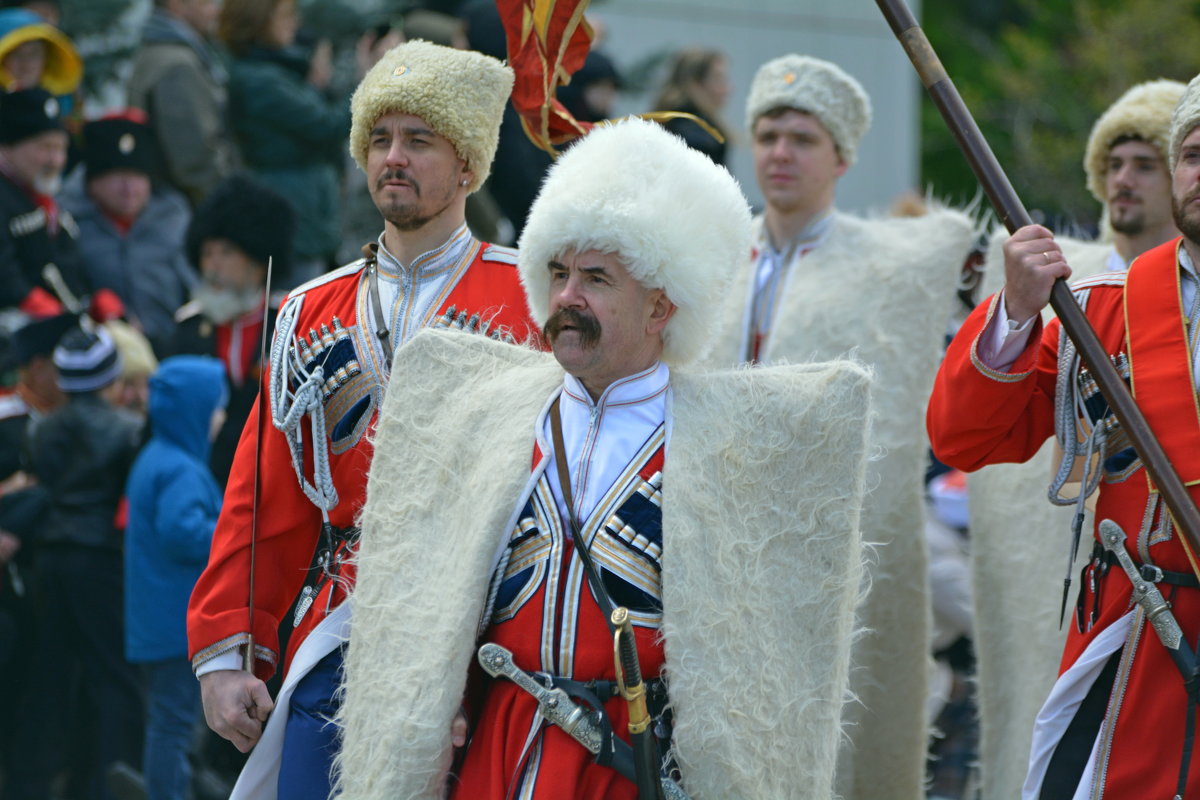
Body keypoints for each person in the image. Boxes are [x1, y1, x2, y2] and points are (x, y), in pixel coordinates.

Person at [333, 117, 872, 800]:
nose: (566, 299)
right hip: (498, 747)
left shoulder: (723, 449)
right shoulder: (484, 417)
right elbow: (426, 606)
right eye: (558, 274)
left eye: (595, 278)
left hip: (629, 760)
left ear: (660, 307)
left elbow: (761, 667)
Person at [186, 39, 540, 799]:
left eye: (419, 140)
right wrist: (228, 652)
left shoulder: (533, 299)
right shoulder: (309, 309)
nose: (393, 158)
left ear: (470, 165)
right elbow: (264, 492)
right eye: (379, 139)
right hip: (340, 629)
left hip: (484, 641)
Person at [706, 53, 977, 800]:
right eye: (767, 135)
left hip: (834, 555)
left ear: (842, 156)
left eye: (802, 137)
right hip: (716, 547)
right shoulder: (714, 256)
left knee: (836, 750)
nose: (780, 153)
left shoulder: (889, 267)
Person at [928, 72, 1200, 799]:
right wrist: (1015, 311)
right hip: (1134, 637)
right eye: (1195, 154)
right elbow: (964, 438)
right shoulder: (1102, 310)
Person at [6, 322, 144, 800]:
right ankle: (112, 780)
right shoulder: (128, 430)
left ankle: (30, 782)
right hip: (101, 559)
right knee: (114, 678)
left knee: (51, 675)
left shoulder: (43, 430)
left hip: (51, 555)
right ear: (111, 374)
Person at [125, 355, 226, 800]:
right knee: (173, 725)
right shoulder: (181, 468)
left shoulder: (159, 456)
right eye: (216, 406)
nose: (221, 416)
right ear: (193, 410)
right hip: (174, 624)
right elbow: (181, 531)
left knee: (170, 722)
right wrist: (233, 532)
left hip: (157, 618)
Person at [217, 0, 355, 287]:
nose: (293, 23)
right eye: (284, 16)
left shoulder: (275, 71)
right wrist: (369, 78)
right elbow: (326, 125)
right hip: (291, 210)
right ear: (258, 22)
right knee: (300, 308)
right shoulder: (260, 80)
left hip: (301, 205)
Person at [172, 173, 293, 487]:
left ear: (255, 261)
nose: (213, 266)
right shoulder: (188, 326)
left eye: (226, 252)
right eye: (207, 254)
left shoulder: (288, 320)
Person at [61, 112, 195, 357]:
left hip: (174, 347)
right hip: (102, 354)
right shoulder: (66, 222)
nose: (128, 188)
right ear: (91, 181)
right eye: (117, 176)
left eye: (137, 176)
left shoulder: (174, 218)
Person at [127, 0, 238, 208]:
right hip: (190, 210)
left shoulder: (157, 52)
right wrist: (228, 210)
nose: (216, 10)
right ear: (175, 4)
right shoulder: (178, 65)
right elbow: (196, 163)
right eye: (206, 2)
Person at [0, 87, 90, 322]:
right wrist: (29, 299)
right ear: (8, 149)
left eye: (61, 148)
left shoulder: (44, 198)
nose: (56, 161)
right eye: (45, 147)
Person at [650, 47, 731, 165]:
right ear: (695, 83)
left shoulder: (663, 122)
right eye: (719, 79)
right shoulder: (700, 138)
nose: (728, 89)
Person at [0, 6, 79, 93]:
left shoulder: (64, 101)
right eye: (16, 53)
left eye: (34, 53)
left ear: (47, 57)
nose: (26, 63)